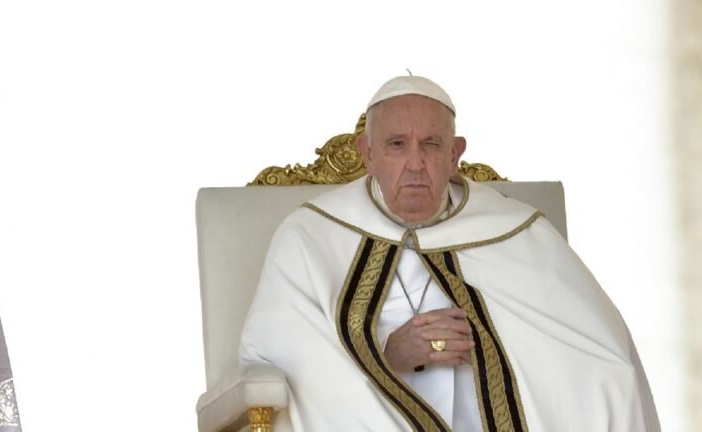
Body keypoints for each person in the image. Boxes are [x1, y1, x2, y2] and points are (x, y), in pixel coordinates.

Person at [239, 76, 661, 431]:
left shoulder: (517, 231)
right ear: (367, 153)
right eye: (397, 144)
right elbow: (281, 357)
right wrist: (387, 355)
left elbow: (596, 354)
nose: (415, 163)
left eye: (431, 144)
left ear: (456, 154)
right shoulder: (310, 236)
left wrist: (495, 347)